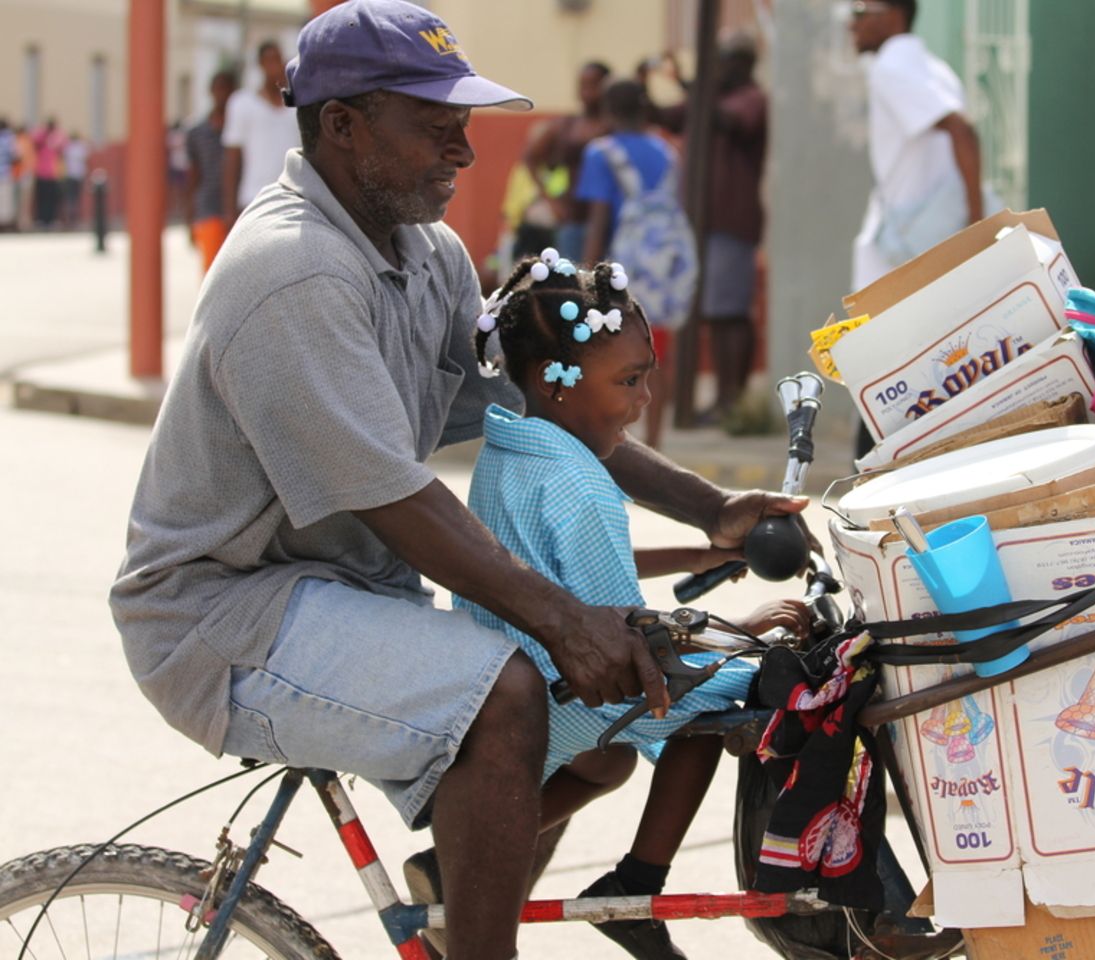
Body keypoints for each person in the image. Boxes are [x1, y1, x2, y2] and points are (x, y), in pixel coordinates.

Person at [108, 3, 806, 959]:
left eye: (465, 126)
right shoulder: (295, 271)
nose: (466, 153)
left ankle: (457, 906)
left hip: (334, 594)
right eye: (436, 128)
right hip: (222, 617)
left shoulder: (421, 252)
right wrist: (567, 619)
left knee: (583, 717)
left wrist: (714, 508)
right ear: (343, 124)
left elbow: (545, 407)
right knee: (507, 692)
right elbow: (394, 495)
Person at [463, 251, 809, 959]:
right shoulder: (583, 487)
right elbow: (630, 637)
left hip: (499, 672)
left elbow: (557, 573)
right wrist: (737, 634)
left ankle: (465, 853)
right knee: (724, 699)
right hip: (560, 689)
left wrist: (693, 555)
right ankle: (637, 884)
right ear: (554, 385)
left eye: (646, 373)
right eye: (629, 380)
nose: (646, 397)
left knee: (611, 764)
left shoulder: (513, 450)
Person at [849, 0, 994, 459]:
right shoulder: (929, 64)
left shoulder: (893, 66)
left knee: (880, 368)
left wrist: (975, 224)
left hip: (909, 246)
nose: (852, 22)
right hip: (916, 238)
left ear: (893, 14)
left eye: (859, 9)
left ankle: (870, 476)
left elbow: (962, 131)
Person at [646, 34, 767, 423]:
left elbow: (728, 121)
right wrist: (647, 81)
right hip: (699, 225)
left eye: (727, 61)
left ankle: (731, 400)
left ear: (744, 64)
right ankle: (721, 401)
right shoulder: (708, 100)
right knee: (712, 313)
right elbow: (666, 118)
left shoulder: (749, 98)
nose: (720, 69)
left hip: (731, 222)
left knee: (728, 313)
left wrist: (690, 85)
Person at [576, 78, 692, 449]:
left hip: (621, 267)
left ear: (608, 112)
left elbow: (598, 218)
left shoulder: (601, 152)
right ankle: (655, 442)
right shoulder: (667, 150)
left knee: (608, 350)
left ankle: (613, 435)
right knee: (654, 350)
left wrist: (586, 275)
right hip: (662, 267)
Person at [523, 61, 611, 261]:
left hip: (609, 222)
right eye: (583, 85)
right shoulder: (568, 125)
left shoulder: (613, 126)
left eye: (594, 85)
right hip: (574, 219)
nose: (588, 92)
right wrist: (551, 200)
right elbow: (530, 158)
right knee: (572, 279)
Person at [221, 39, 301, 224]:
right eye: (269, 60)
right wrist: (229, 210)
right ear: (260, 64)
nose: (274, 66)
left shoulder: (298, 105)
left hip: (293, 200)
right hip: (253, 200)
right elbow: (232, 158)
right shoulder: (242, 103)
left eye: (277, 59)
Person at [185, 69, 238, 273]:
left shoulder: (241, 128)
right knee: (211, 271)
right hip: (208, 207)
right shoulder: (197, 132)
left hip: (238, 206)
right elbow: (193, 175)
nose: (222, 94)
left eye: (227, 89)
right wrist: (189, 217)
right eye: (218, 89)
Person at [32, 119, 63, 229]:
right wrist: (44, 131)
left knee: (52, 199)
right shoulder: (41, 139)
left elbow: (62, 144)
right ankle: (42, 219)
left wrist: (53, 134)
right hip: (41, 173)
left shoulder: (56, 137)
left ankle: (51, 220)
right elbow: (35, 138)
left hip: (52, 174)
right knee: (42, 199)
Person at [62, 131, 89, 227]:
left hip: (70, 175)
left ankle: (71, 218)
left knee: (71, 197)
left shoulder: (68, 147)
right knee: (75, 197)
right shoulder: (80, 148)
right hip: (77, 175)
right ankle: (74, 218)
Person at [12, 125, 36, 231]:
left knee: (19, 200)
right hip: (25, 174)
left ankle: (20, 222)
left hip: (20, 174)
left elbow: (17, 157)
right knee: (24, 200)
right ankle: (22, 222)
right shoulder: (26, 142)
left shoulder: (18, 142)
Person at [0, 118, 15, 231]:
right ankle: (4, 224)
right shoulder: (9, 138)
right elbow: (15, 155)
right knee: (5, 199)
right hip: (5, 172)